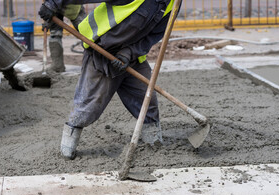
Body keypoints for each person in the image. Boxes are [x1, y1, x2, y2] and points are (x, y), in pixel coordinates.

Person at [39, 0, 181, 159]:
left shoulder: (173, 4)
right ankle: (67, 150)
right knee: (88, 107)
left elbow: (155, 34)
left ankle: (154, 146)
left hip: (132, 57)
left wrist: (128, 53)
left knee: (147, 102)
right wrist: (54, 3)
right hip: (101, 49)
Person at [42, 5, 86, 72]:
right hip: (54, 6)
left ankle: (96, 63)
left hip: (71, 4)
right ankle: (57, 65)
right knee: (55, 33)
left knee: (86, 32)